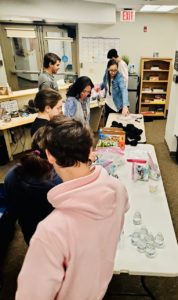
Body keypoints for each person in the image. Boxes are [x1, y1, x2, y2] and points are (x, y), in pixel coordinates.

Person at [15, 115, 129, 300]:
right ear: (91, 151)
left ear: (50, 156)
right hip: (99, 285)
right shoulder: (118, 188)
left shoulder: (51, 231)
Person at [4, 127, 62, 245]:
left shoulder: (11, 174)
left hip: (30, 232)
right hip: (56, 237)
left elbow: (12, 208)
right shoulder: (59, 181)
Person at [101, 59, 129, 123]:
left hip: (117, 105)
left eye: (115, 70)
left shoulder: (119, 77)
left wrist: (125, 106)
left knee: (117, 125)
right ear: (108, 68)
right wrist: (100, 87)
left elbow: (124, 90)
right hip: (108, 103)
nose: (113, 73)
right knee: (107, 123)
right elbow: (104, 82)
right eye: (111, 70)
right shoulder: (106, 73)